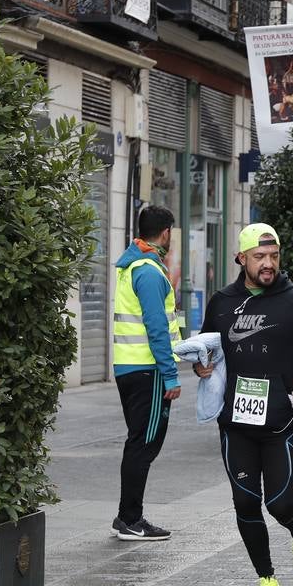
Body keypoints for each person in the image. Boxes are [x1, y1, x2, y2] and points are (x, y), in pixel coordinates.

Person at [196, 223, 293, 586]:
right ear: (241, 259)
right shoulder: (222, 302)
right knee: (245, 503)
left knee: (278, 502)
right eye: (259, 257)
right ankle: (267, 581)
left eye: (274, 256)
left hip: (282, 422)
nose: (268, 264)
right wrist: (203, 368)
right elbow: (208, 350)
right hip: (236, 422)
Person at [112, 206, 181, 542]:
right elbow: (156, 328)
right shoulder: (150, 272)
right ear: (166, 232)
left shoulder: (133, 264)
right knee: (144, 445)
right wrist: (170, 375)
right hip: (148, 371)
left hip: (129, 367)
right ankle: (131, 519)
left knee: (138, 443)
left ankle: (128, 517)